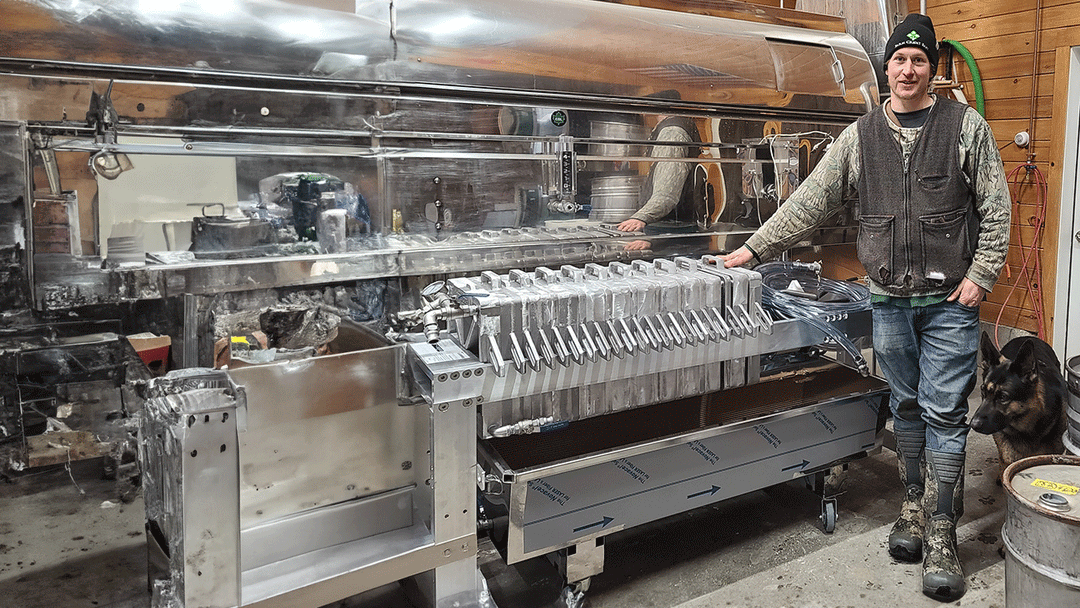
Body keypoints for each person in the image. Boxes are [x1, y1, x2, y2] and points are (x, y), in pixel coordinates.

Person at [721, 13, 1010, 602]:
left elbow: (996, 207)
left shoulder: (965, 126)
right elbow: (810, 202)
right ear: (887, 68)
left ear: (933, 69)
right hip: (889, 301)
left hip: (949, 302)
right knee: (905, 405)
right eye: (899, 59)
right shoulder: (861, 137)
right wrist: (751, 250)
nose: (908, 70)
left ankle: (942, 531)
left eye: (919, 60)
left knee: (945, 411)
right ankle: (912, 505)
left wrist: (981, 276)